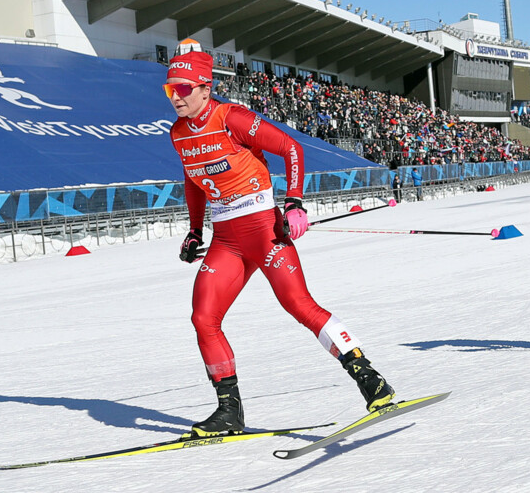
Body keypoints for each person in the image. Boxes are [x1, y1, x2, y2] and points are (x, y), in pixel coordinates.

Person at [164, 39, 395, 438]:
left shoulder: (231, 118)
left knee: (299, 305)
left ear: (205, 87)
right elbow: (192, 181)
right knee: (203, 317)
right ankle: (228, 412)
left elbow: (290, 147)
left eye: (183, 89)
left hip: (264, 231)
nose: (176, 97)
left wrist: (295, 204)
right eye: (170, 90)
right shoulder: (178, 133)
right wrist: (193, 229)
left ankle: (372, 382)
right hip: (227, 240)